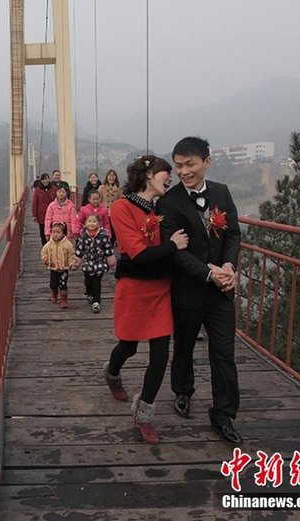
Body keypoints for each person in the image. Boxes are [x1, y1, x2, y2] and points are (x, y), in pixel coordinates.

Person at [156, 136, 242, 444]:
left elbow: (232, 234)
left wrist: (229, 267)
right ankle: (182, 391)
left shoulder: (222, 192)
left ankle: (224, 415)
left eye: (190, 164)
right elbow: (176, 253)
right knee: (184, 346)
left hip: (221, 292)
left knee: (224, 354)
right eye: (178, 165)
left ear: (207, 162)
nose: (183, 171)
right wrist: (209, 273)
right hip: (189, 289)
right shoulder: (169, 201)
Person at [103, 155, 189, 445]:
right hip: (135, 289)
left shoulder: (161, 207)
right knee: (127, 346)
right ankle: (112, 373)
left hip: (160, 288)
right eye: (167, 173)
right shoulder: (121, 207)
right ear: (150, 174)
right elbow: (138, 253)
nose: (171, 178)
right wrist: (172, 246)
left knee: (161, 356)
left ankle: (144, 414)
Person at [74, 214, 116, 313]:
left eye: (94, 222)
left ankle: (96, 302)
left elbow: (108, 249)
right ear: (85, 224)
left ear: (99, 223)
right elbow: (79, 250)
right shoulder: (83, 236)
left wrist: (111, 261)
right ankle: (89, 292)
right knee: (88, 282)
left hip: (99, 263)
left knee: (96, 283)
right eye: (89, 221)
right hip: (88, 263)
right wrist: (77, 262)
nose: (91, 224)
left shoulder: (103, 236)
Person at [41, 222, 76, 309]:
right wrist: (46, 260)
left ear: (63, 233)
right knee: (53, 284)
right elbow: (43, 252)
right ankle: (54, 293)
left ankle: (64, 299)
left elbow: (71, 255)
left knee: (63, 284)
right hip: (53, 268)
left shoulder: (67, 244)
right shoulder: (49, 244)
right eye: (53, 232)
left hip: (64, 269)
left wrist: (71, 264)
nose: (55, 235)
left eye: (58, 232)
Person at [32, 173, 56, 245]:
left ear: (49, 179)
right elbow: (35, 203)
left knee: (53, 232)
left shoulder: (54, 189)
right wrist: (34, 215)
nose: (45, 181)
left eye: (46, 179)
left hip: (53, 214)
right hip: (42, 215)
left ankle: (52, 248)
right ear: (41, 181)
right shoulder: (37, 190)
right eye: (43, 179)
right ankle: (45, 248)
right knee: (43, 234)